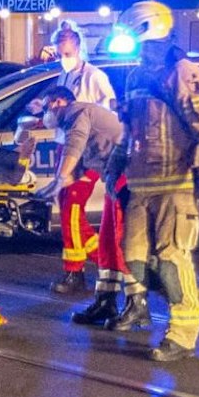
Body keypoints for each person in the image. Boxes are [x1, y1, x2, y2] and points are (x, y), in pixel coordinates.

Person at [104, 1, 199, 362]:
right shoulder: (136, 75)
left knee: (171, 260)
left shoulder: (182, 72)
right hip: (141, 187)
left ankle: (183, 335)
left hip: (175, 185)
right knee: (136, 262)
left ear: (147, 28)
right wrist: (115, 166)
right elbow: (129, 131)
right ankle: (189, 294)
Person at [38, 86, 141, 322]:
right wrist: (51, 188)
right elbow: (83, 163)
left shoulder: (78, 113)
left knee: (119, 240)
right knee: (106, 242)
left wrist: (59, 178)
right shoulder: (73, 118)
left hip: (127, 179)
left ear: (57, 103)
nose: (45, 114)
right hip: (114, 180)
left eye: (45, 108)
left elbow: (75, 146)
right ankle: (106, 302)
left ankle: (137, 302)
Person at [50, 21, 116, 108]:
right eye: (59, 55)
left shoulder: (94, 76)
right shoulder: (64, 75)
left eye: (67, 54)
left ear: (77, 49)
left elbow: (110, 107)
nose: (63, 59)